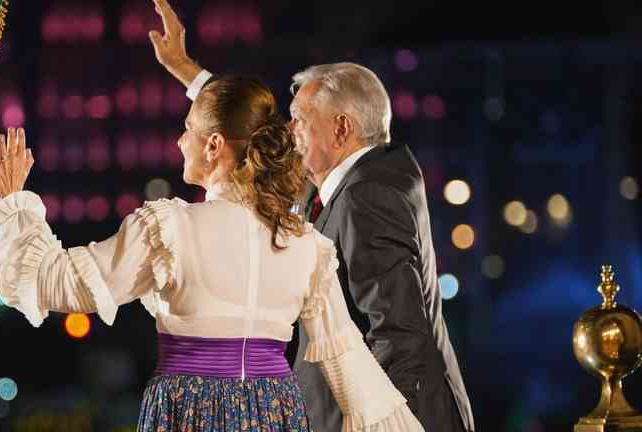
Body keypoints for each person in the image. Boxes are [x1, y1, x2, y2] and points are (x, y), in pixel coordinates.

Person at [0, 78, 423, 431]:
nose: (179, 141)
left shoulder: (169, 228)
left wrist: (15, 206)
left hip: (188, 410)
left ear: (214, 145)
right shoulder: (307, 246)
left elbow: (61, 283)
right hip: (275, 414)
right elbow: (350, 367)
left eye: (187, 129)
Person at [149, 1, 475, 431]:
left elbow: (399, 336)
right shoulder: (355, 181)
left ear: (341, 128)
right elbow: (249, 132)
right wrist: (189, 73)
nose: (290, 132)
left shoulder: (367, 196)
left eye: (301, 120)